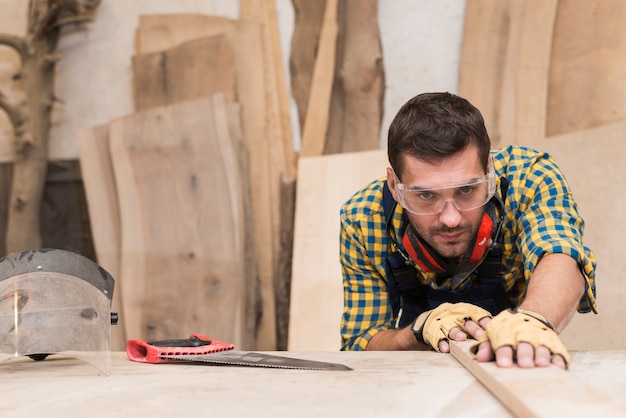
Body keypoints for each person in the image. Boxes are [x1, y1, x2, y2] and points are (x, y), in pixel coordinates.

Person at [339, 92, 596, 369]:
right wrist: (418, 331)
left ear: (489, 171)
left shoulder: (530, 177)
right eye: (426, 196)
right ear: (394, 186)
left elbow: (560, 254)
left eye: (466, 190)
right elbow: (361, 344)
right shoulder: (363, 218)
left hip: (513, 368)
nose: (450, 219)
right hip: (418, 378)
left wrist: (532, 321)